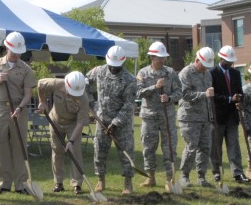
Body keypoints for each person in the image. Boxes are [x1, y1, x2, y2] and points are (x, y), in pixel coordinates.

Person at [0, 31, 37, 195]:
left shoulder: (25, 68)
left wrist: (20, 108)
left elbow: (28, 94)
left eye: (19, 52)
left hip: (19, 108)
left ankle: (21, 184)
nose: (16, 55)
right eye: (14, 52)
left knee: (19, 146)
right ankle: (4, 182)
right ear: (7, 48)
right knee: (1, 145)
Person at [86, 45, 137, 195]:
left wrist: (115, 123)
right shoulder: (99, 71)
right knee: (99, 151)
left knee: (126, 152)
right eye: (111, 66)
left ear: (123, 63)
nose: (113, 69)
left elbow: (129, 106)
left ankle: (128, 183)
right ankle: (100, 179)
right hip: (102, 120)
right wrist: (90, 103)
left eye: (117, 66)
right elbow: (85, 82)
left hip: (122, 124)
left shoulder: (130, 80)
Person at [136, 41, 182, 188]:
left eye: (163, 57)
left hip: (167, 116)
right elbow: (138, 92)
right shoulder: (143, 73)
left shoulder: (170, 72)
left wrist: (169, 98)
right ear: (151, 57)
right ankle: (150, 177)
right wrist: (154, 87)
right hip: (149, 117)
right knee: (148, 147)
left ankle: (170, 179)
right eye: (159, 57)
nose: (162, 60)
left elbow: (179, 92)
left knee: (169, 148)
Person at [36, 71, 89, 194]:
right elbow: (40, 84)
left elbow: (81, 123)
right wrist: (42, 101)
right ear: (66, 85)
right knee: (57, 151)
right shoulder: (55, 83)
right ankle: (58, 182)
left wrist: (71, 141)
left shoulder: (84, 99)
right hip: (55, 120)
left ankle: (77, 184)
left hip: (73, 124)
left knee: (75, 151)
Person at [209, 45, 251, 183]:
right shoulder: (212, 73)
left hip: (232, 116)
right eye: (227, 61)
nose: (230, 63)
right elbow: (212, 96)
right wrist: (228, 99)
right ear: (221, 58)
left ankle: (238, 173)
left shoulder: (235, 73)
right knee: (216, 146)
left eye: (231, 61)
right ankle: (217, 171)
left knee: (234, 146)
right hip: (218, 116)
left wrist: (240, 98)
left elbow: (239, 91)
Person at [177, 47, 215, 187]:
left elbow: (209, 97)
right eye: (204, 65)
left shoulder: (208, 74)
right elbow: (184, 94)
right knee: (191, 147)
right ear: (197, 60)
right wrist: (203, 94)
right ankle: (184, 176)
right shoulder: (185, 73)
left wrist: (211, 114)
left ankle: (201, 176)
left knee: (205, 147)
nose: (205, 68)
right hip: (189, 117)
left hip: (204, 117)